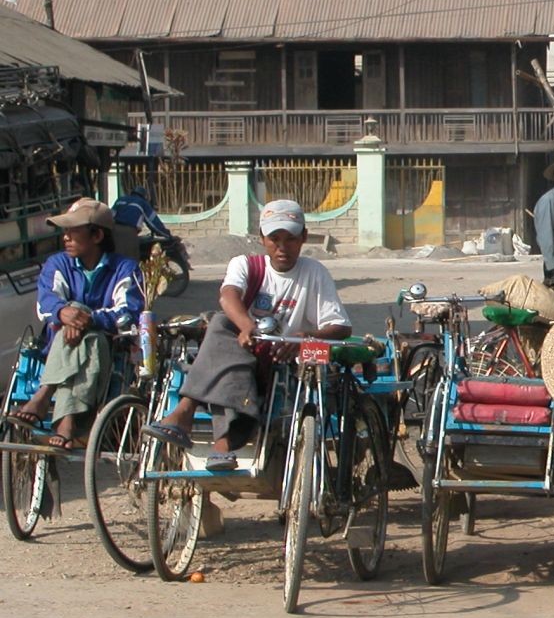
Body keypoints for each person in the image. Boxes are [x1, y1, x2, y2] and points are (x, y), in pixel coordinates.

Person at [142, 200, 351, 471]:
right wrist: (245, 326)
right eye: (274, 238)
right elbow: (228, 296)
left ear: (303, 238)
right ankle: (215, 438)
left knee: (226, 353)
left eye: (290, 239)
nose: (282, 247)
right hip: (241, 349)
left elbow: (341, 327)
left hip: (281, 361)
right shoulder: (245, 265)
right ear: (262, 239)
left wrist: (303, 336)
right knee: (221, 325)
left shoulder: (315, 273)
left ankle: (189, 414)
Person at [7, 199, 144, 449]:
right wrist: (63, 313)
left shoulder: (126, 269)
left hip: (108, 353)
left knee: (88, 330)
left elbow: (128, 313)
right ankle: (67, 423)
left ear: (97, 235)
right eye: (65, 232)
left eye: (73, 231)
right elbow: (47, 303)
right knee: (80, 328)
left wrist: (86, 319)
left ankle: (44, 395)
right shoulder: (57, 264)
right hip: (59, 347)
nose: (66, 237)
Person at [111, 183, 173, 261]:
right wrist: (167, 234)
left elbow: (110, 216)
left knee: (115, 260)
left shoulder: (120, 199)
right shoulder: (142, 203)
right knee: (130, 262)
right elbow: (154, 223)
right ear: (144, 196)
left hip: (114, 232)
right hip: (129, 234)